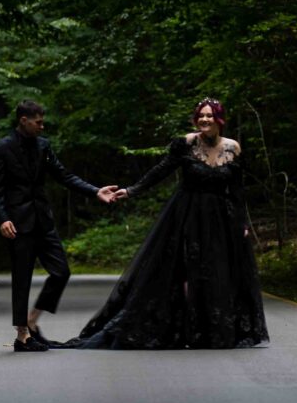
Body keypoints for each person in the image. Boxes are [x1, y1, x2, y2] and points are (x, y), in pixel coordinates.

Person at [57, 98, 269, 349]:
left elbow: (236, 189)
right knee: (184, 272)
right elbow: (161, 170)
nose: (204, 120)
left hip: (222, 219)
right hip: (187, 215)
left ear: (219, 119)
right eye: (201, 115)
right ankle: (185, 331)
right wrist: (131, 190)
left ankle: (215, 331)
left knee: (219, 272)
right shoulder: (187, 144)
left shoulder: (233, 148)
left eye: (210, 116)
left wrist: (242, 221)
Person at [0, 99, 117, 352]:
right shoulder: (1, 149)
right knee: (22, 279)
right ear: (23, 120)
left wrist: (95, 192)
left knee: (61, 271)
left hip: (42, 221)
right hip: (17, 224)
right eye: (38, 122)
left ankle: (32, 322)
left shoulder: (43, 146)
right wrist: (3, 218)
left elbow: (64, 176)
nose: (42, 126)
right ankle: (22, 336)